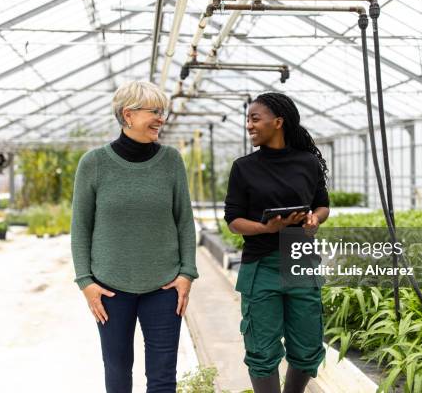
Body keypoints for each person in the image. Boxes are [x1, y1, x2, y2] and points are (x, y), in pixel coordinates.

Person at [71, 80, 198, 393]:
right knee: (117, 373)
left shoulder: (171, 161)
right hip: (110, 290)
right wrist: (86, 282)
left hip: (165, 287)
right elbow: (80, 228)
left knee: (163, 377)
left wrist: (186, 274)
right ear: (128, 115)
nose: (161, 118)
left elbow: (184, 220)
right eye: (154, 111)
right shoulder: (94, 164)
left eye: (162, 111)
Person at [224, 92, 330, 393]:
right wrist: (264, 226)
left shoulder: (307, 162)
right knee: (261, 349)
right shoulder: (243, 167)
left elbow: (322, 205)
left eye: (255, 118)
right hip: (261, 266)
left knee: (308, 347)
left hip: (300, 260)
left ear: (278, 122)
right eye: (248, 119)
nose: (249, 125)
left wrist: (314, 220)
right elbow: (233, 220)